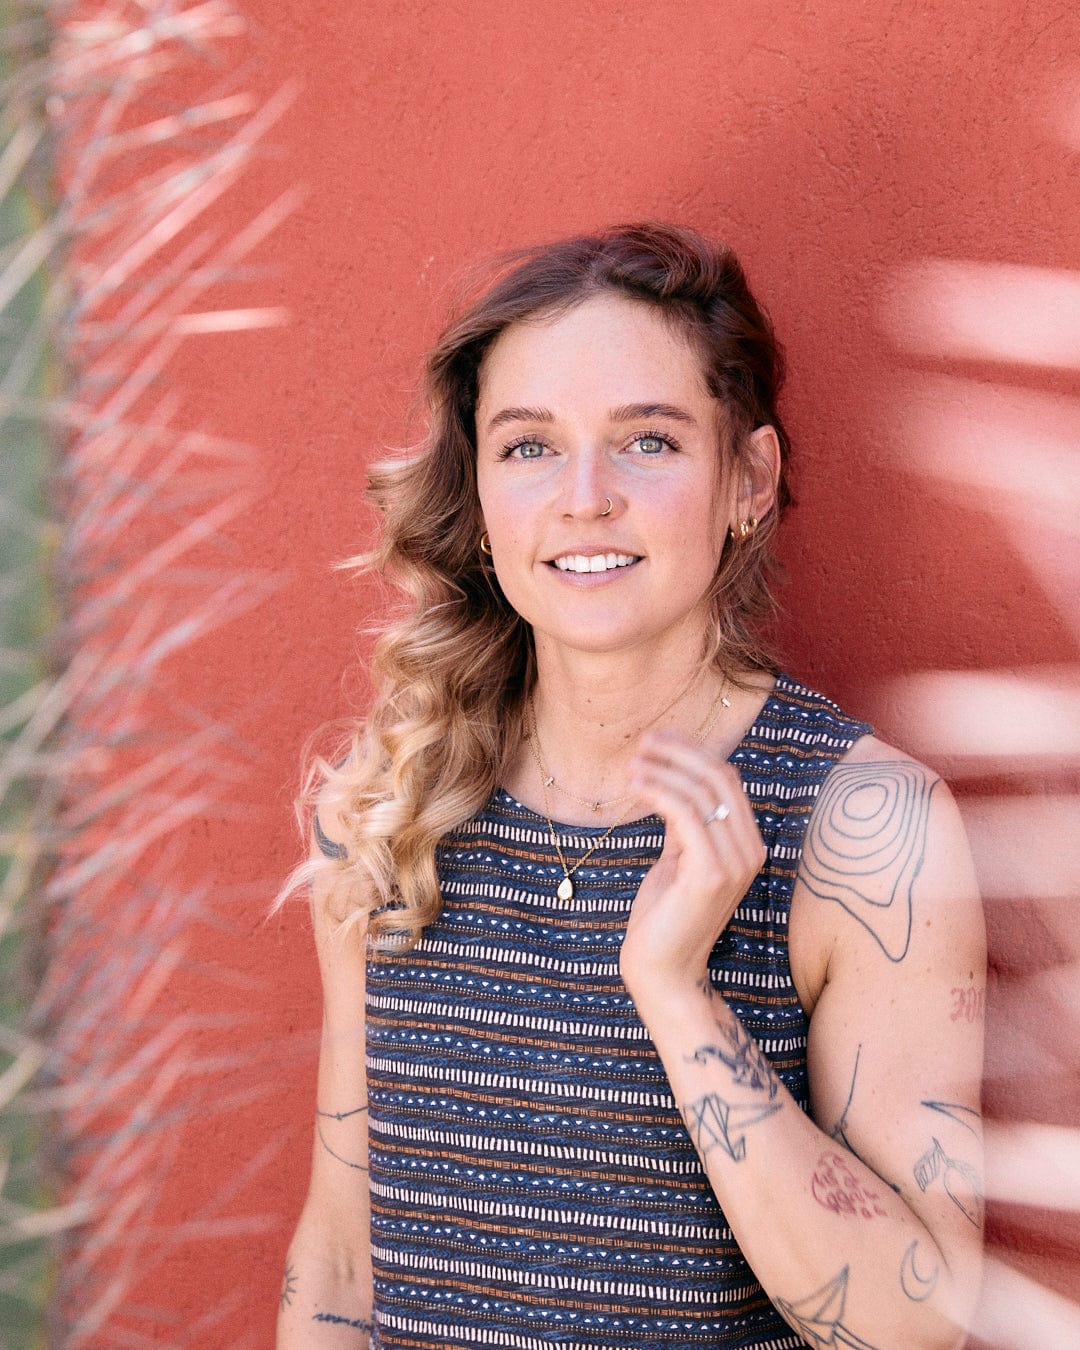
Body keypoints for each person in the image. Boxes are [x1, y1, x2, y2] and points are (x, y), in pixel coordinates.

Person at [276, 223, 985, 1350]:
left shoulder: (865, 830)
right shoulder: (395, 800)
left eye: (647, 442)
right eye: (528, 447)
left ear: (747, 480)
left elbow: (917, 1323)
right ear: (481, 490)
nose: (585, 497)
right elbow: (341, 1253)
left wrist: (676, 994)